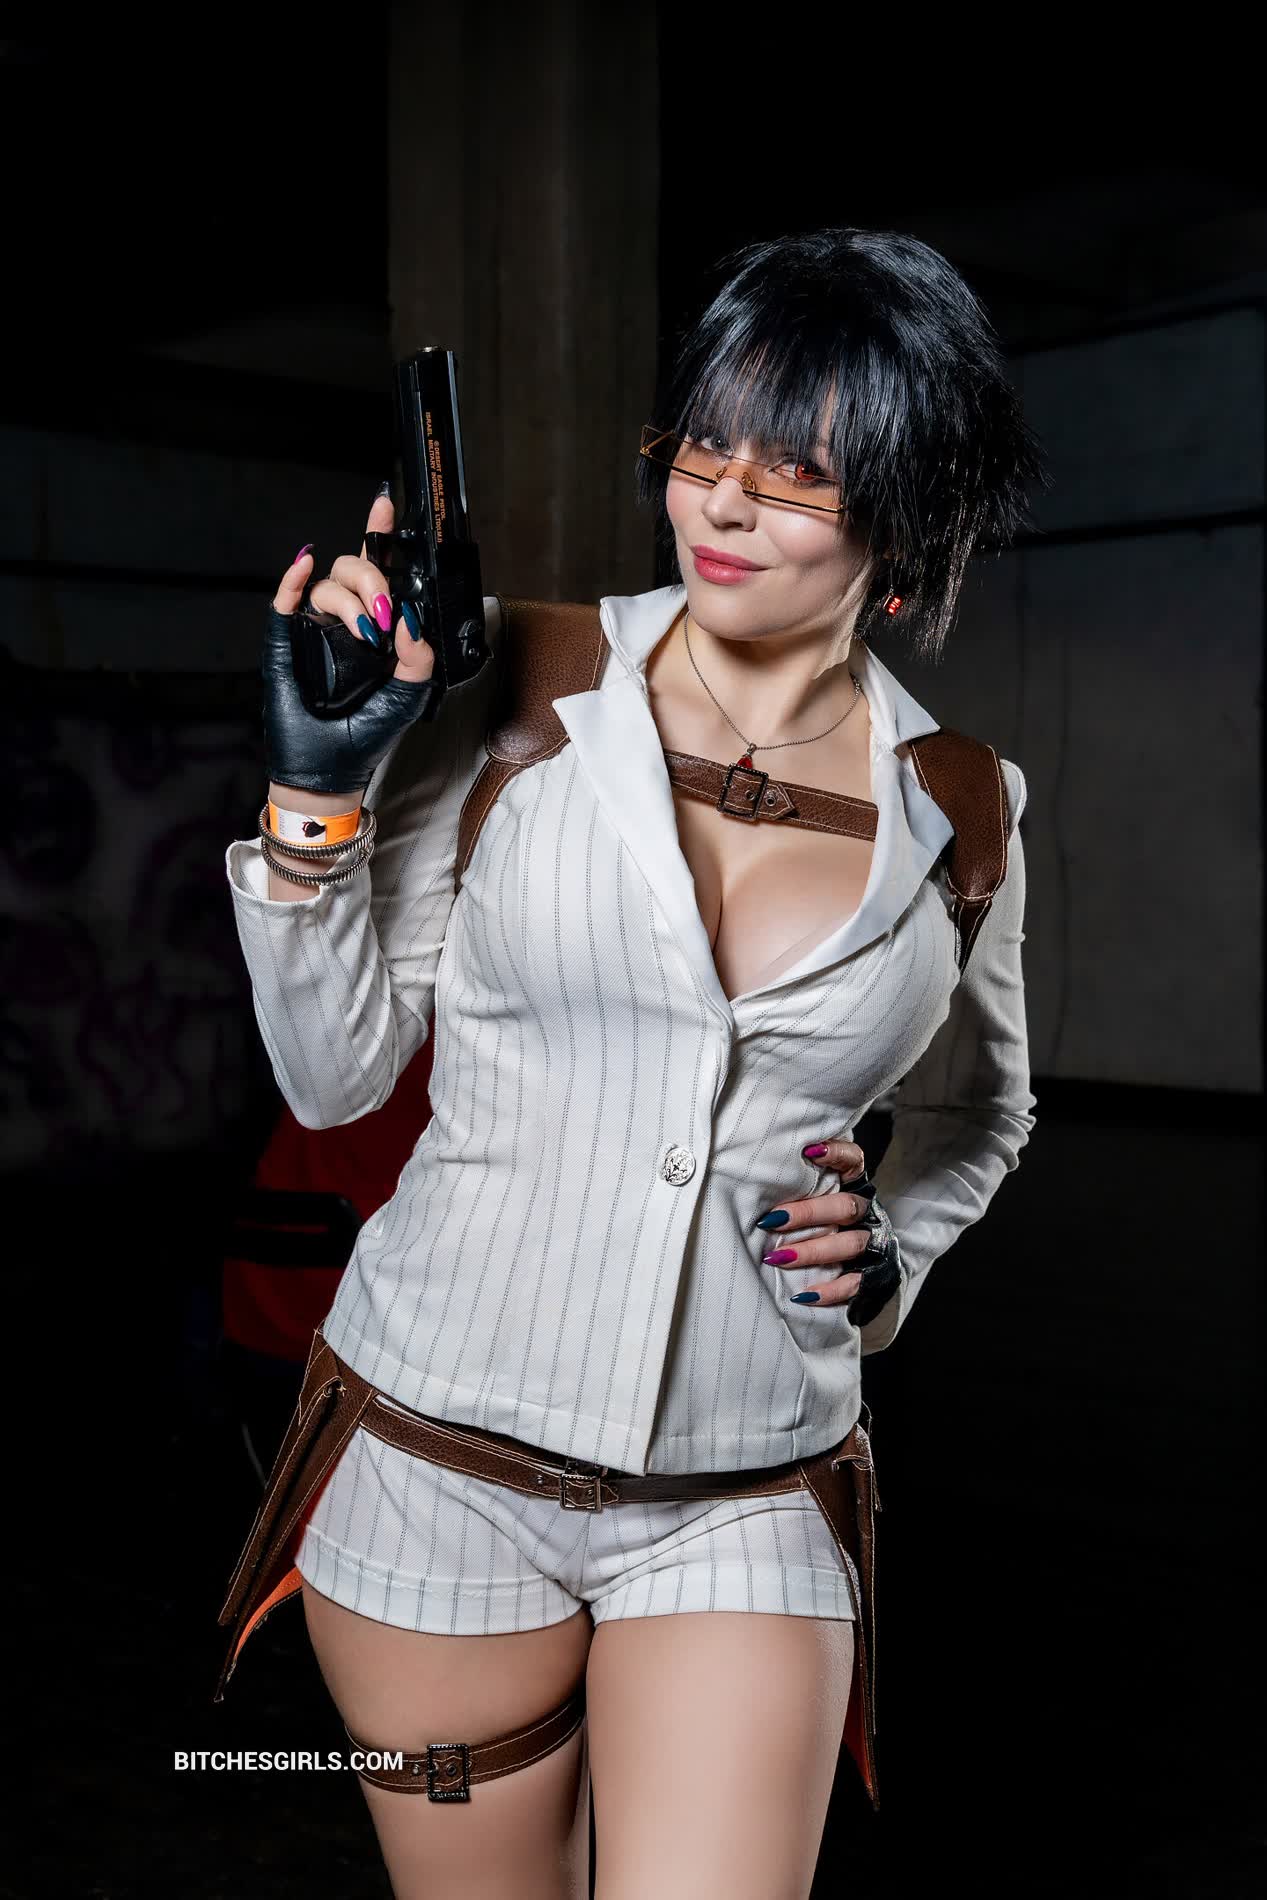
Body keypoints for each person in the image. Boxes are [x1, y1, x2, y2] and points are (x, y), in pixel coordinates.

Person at [223, 224, 1043, 1900]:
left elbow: (982, 1109)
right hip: (434, 1464)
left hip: (753, 1482)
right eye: (704, 445)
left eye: (795, 470)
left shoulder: (965, 807)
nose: (722, 500)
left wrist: (893, 1252)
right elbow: (333, 1078)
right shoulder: (520, 686)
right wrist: (315, 804)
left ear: (905, 514)